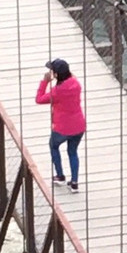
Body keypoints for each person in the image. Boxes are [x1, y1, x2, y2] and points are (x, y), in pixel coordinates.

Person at [36, 58, 86, 192]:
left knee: (53, 146)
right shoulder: (76, 83)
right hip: (79, 126)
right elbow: (70, 76)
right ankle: (74, 182)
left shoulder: (57, 92)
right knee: (72, 152)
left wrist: (45, 81)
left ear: (57, 74)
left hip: (62, 128)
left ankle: (60, 175)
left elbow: (39, 99)